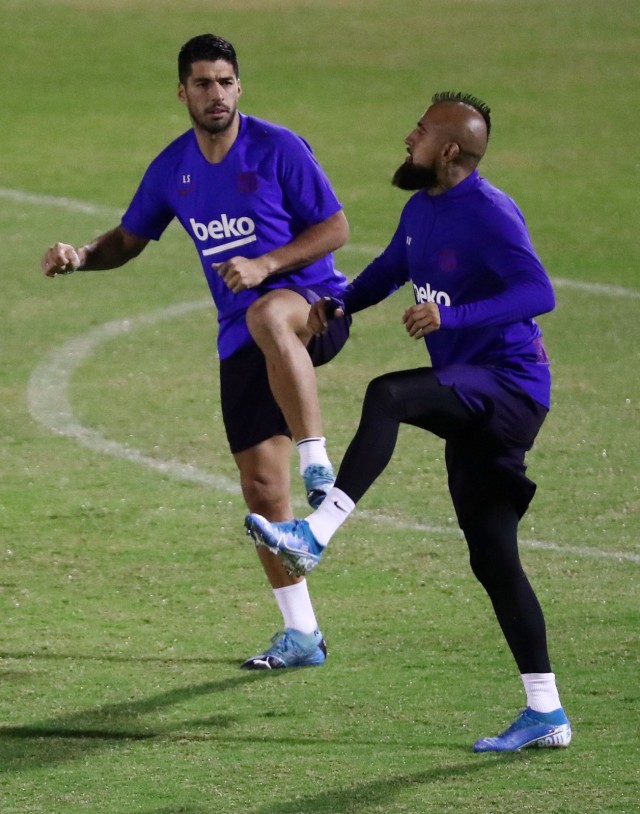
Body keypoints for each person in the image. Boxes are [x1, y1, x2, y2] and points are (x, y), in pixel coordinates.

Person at [245, 91, 572, 751]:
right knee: (493, 557)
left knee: (390, 394)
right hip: (471, 396)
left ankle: (317, 532)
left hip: (508, 389)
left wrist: (453, 318)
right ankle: (547, 712)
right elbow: (389, 272)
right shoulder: (421, 209)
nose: (408, 137)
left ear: (448, 150)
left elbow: (540, 293)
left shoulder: (491, 213)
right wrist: (335, 305)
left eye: (420, 131)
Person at [40, 33, 352, 670]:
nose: (217, 94)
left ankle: (318, 462)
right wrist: (81, 258)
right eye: (204, 83)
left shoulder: (278, 148)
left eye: (226, 82)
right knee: (262, 492)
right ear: (182, 91)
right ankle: (301, 636)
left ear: (240, 87)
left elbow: (336, 228)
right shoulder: (173, 170)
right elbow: (129, 239)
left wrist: (267, 263)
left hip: (313, 308)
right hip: (243, 337)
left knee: (269, 311)